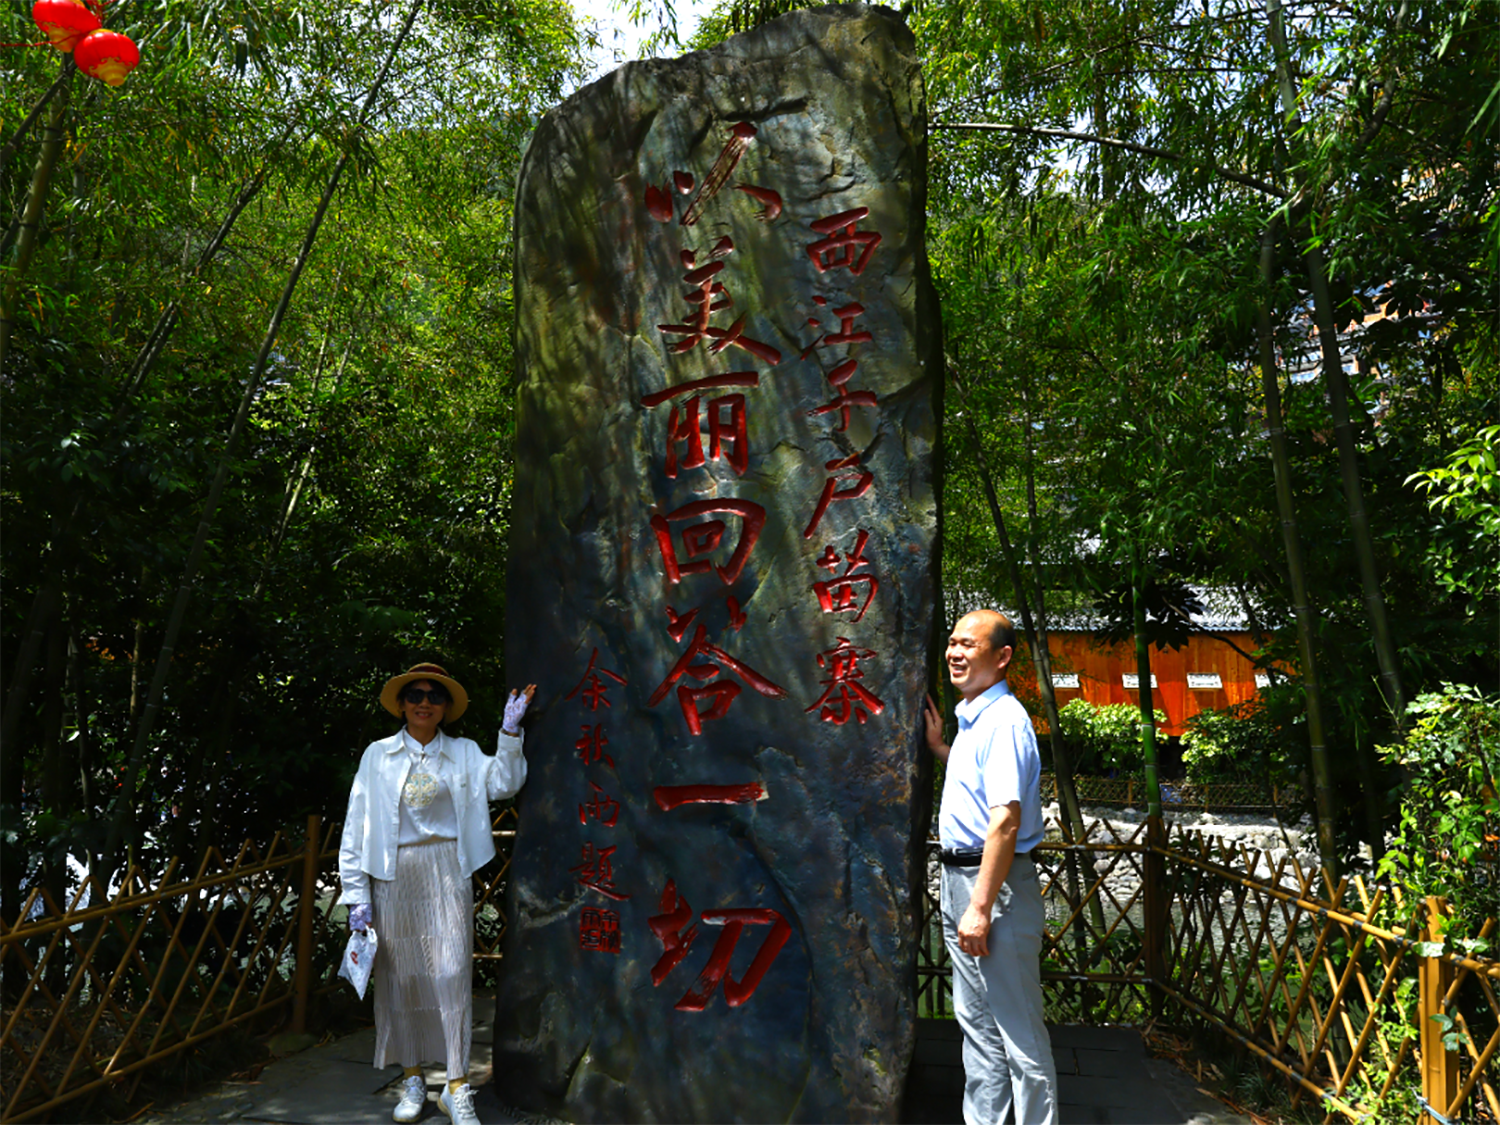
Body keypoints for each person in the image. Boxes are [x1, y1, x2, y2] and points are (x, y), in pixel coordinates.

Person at [339, 663, 536, 1125]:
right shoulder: (377, 755)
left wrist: (509, 733)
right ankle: (412, 1078)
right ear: (401, 703)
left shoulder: (464, 752)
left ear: (446, 707)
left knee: (451, 974)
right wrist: (356, 894)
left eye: (434, 696)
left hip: (447, 869)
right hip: (392, 875)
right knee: (401, 979)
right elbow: (355, 824)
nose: (424, 702)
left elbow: (504, 783)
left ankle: (456, 1085)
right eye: (415, 694)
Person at [923, 610, 1057, 1125]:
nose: (955, 653)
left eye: (969, 645)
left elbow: (1004, 820)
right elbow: (979, 788)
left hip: (992, 888)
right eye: (952, 643)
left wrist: (979, 907)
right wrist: (941, 749)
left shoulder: (1005, 721)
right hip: (962, 879)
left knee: (1018, 1031)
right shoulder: (976, 719)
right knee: (977, 1025)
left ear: (1002, 657)